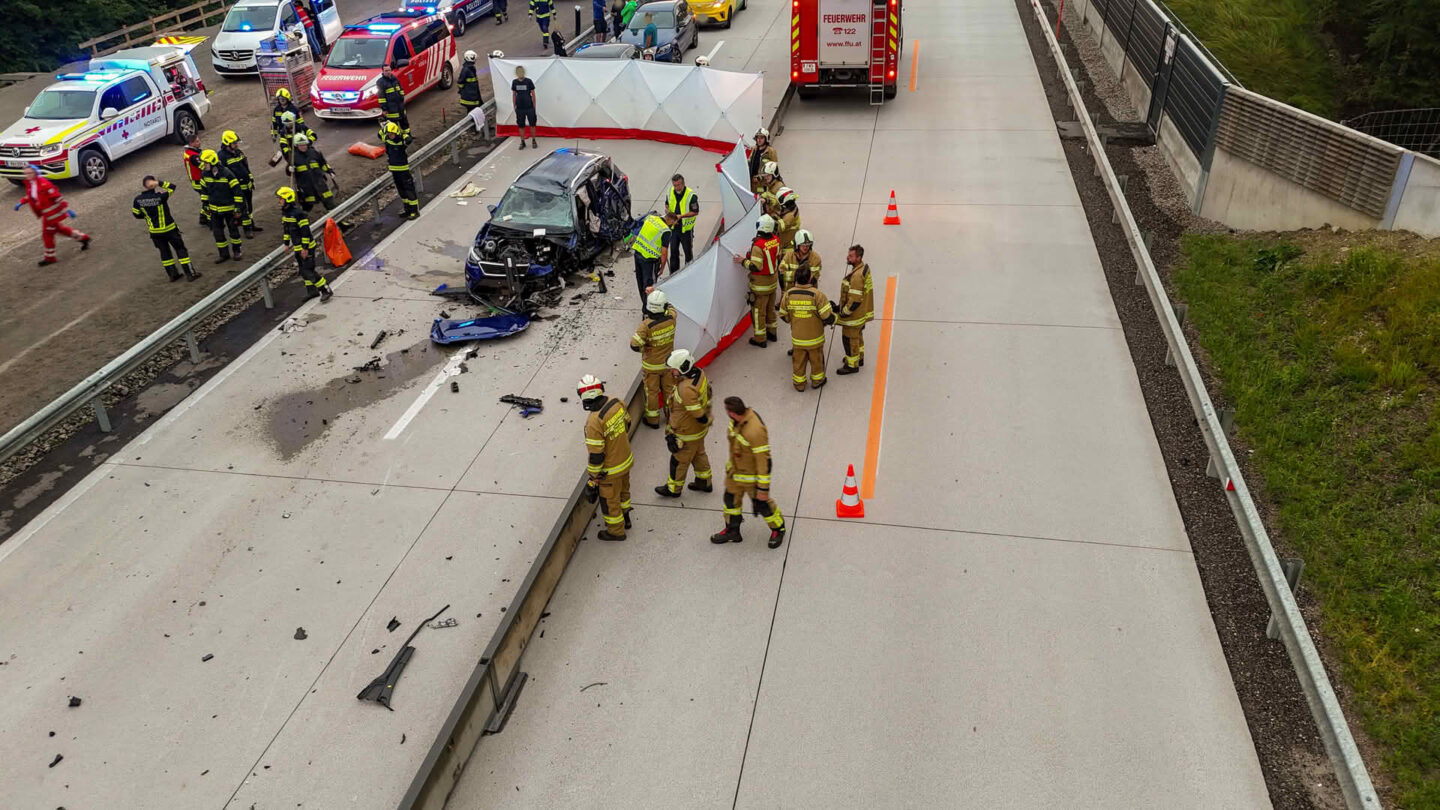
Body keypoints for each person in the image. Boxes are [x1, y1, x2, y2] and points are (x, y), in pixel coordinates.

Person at [711, 396, 785, 548]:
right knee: (730, 502)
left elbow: (764, 462)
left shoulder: (755, 430)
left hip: (751, 478)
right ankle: (733, 531)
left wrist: (763, 489)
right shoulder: (737, 422)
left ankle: (778, 528)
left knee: (763, 506)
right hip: (735, 474)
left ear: (731, 412)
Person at [578, 374, 633, 542]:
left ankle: (616, 531)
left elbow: (596, 456)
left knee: (610, 502)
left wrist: (593, 477)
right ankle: (626, 518)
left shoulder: (594, 423)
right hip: (626, 460)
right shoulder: (615, 402)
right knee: (624, 491)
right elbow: (627, 424)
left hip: (610, 470)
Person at [654, 349, 713, 498]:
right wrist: (706, 422)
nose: (672, 372)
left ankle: (674, 489)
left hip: (687, 432)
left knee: (678, 460)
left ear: (682, 368)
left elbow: (696, 413)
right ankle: (704, 481)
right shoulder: (699, 374)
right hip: (698, 431)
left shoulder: (685, 389)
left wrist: (673, 431)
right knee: (699, 454)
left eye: (673, 369)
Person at [13, 165, 90, 267]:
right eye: (26, 173)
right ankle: (83, 238)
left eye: (29, 173)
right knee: (60, 230)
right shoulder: (32, 184)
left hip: (52, 215)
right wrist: (21, 202)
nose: (27, 175)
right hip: (47, 214)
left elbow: (57, 197)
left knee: (47, 234)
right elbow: (31, 196)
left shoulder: (44, 184)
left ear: (35, 173)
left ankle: (50, 257)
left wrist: (67, 210)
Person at [779, 264, 835, 391]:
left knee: (798, 363)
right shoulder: (818, 295)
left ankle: (799, 385)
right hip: (815, 338)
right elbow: (827, 316)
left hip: (798, 338)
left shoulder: (788, 294)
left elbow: (783, 314)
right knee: (816, 362)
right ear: (810, 278)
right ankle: (817, 381)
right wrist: (834, 318)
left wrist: (792, 321)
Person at [132, 175, 198, 282]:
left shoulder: (138, 200)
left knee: (165, 253)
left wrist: (147, 216)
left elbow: (136, 214)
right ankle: (190, 274)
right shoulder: (160, 197)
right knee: (181, 250)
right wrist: (159, 183)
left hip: (155, 233)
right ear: (153, 184)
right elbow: (172, 187)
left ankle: (173, 275)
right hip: (170, 229)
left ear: (144, 186)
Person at [631, 289, 677, 429]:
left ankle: (653, 420)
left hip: (651, 366)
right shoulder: (672, 318)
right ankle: (671, 418)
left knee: (652, 393)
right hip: (668, 364)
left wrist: (646, 348)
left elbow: (634, 345)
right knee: (669, 391)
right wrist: (658, 293)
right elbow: (671, 307)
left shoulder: (645, 326)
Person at [277, 186, 333, 301]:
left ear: (287, 198)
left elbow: (305, 231)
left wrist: (305, 248)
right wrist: (286, 243)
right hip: (298, 247)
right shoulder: (286, 214)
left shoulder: (299, 214)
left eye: (281, 198)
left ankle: (325, 289)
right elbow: (286, 229)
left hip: (306, 247)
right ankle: (312, 291)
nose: (279, 201)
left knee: (308, 270)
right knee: (303, 271)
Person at [734, 213, 780, 347]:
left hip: (760, 285)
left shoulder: (758, 246)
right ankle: (772, 333)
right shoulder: (776, 240)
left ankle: (760, 339)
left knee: (758, 313)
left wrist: (743, 261)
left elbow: (756, 266)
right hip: (772, 282)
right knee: (770, 309)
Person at [835, 243, 875, 375]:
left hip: (854, 316)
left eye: (851, 256)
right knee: (858, 336)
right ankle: (859, 357)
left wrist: (843, 313)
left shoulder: (857, 276)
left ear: (859, 258)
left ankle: (852, 365)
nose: (848, 257)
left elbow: (855, 301)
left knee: (849, 339)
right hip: (862, 313)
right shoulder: (863, 269)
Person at [198, 150, 244, 263]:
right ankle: (224, 254)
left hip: (229, 209)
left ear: (213, 162)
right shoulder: (205, 175)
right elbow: (204, 192)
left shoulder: (227, 173)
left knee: (233, 232)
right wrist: (205, 206)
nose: (204, 166)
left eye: (205, 163)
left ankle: (237, 251)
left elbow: (237, 191)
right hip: (214, 210)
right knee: (217, 233)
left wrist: (237, 208)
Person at [218, 130, 262, 238]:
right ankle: (247, 229)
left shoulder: (238, 152)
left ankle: (251, 224)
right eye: (234, 143)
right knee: (243, 208)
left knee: (249, 207)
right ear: (227, 143)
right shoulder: (222, 156)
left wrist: (251, 179)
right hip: (237, 188)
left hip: (246, 185)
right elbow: (223, 175)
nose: (236, 145)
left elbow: (246, 167)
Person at [630, 210, 676, 305]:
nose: (673, 225)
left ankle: (644, 305)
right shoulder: (666, 231)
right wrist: (662, 267)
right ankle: (648, 310)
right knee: (649, 286)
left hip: (638, 253)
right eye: (673, 223)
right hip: (649, 260)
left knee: (641, 281)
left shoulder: (651, 218)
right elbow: (664, 253)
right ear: (670, 221)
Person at [380, 121, 420, 219]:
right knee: (401, 191)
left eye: (392, 134)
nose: (390, 136)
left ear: (396, 133)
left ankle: (414, 211)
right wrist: (385, 126)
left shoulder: (401, 141)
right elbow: (379, 134)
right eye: (389, 134)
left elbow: (408, 140)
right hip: (394, 170)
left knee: (409, 190)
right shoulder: (387, 139)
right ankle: (407, 209)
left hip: (403, 170)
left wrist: (403, 134)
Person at [290, 134, 337, 213]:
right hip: (306, 186)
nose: (303, 147)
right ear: (296, 146)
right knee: (306, 205)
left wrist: (330, 171)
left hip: (319, 182)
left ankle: (338, 219)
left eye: (305, 144)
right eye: (301, 145)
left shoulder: (314, 153)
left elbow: (323, 164)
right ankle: (305, 221)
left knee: (328, 200)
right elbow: (290, 172)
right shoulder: (293, 157)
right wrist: (289, 169)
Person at [664, 173, 698, 274]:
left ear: (683, 184)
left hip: (685, 230)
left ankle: (689, 272)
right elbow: (667, 205)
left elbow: (695, 211)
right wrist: (669, 215)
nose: (676, 187)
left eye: (678, 185)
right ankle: (674, 274)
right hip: (674, 228)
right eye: (674, 185)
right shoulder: (670, 191)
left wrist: (680, 216)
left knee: (688, 253)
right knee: (673, 252)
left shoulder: (691, 195)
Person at [779, 228, 820, 293]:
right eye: (803, 245)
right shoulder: (789, 256)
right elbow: (782, 274)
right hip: (790, 292)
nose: (805, 247)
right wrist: (799, 275)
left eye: (808, 245)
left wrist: (792, 275)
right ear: (797, 245)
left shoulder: (815, 258)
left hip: (808, 294)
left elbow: (813, 279)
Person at [377, 63, 410, 142]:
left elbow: (400, 88)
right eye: (386, 71)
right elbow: (381, 97)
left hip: (400, 106)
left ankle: (408, 137)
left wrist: (402, 97)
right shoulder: (380, 82)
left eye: (389, 70)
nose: (388, 72)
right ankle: (396, 141)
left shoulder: (395, 78)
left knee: (405, 124)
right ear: (383, 71)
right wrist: (384, 109)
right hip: (391, 109)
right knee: (393, 127)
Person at [182, 133, 209, 226]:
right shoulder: (193, 155)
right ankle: (208, 220)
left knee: (206, 200)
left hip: (195, 180)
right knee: (207, 200)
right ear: (191, 143)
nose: (199, 142)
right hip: (198, 181)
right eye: (197, 141)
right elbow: (204, 167)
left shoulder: (188, 152)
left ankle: (203, 218)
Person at [512, 66, 538, 149]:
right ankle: (522, 141)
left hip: (529, 107)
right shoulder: (514, 82)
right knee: (521, 125)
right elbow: (514, 94)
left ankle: (534, 140)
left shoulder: (528, 81)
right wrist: (514, 105)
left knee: (532, 124)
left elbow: (533, 94)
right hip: (519, 108)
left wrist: (534, 106)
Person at [749, 128, 778, 193]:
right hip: (752, 183)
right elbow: (749, 162)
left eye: (761, 138)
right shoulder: (754, 149)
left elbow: (774, 169)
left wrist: (759, 178)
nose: (759, 140)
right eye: (757, 138)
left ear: (766, 139)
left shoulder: (771, 151)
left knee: (762, 200)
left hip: (763, 184)